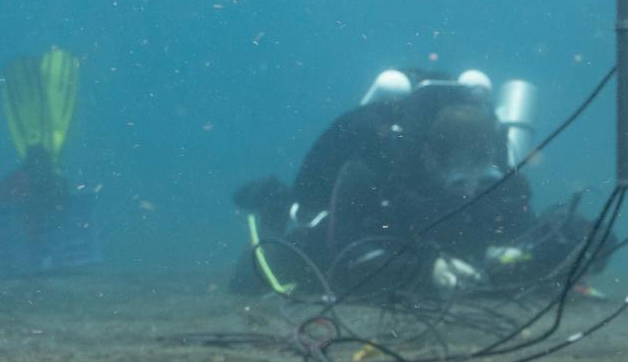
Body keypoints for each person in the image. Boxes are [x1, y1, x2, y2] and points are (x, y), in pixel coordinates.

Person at [233, 67, 572, 297]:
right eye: (457, 169)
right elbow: (345, 256)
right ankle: (272, 199)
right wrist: (425, 270)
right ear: (428, 156)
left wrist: (521, 252)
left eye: (480, 166)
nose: (470, 183)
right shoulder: (380, 176)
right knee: (261, 275)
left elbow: (556, 235)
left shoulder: (498, 184)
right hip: (341, 227)